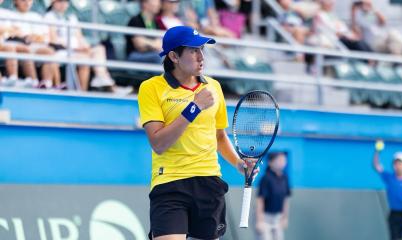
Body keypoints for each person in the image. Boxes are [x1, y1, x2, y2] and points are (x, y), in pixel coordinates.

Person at [138, 25, 257, 240]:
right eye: (194, 50)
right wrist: (193, 109)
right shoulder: (151, 88)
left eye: (202, 49)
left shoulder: (214, 87)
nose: (201, 56)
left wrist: (240, 164)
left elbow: (219, 137)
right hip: (169, 183)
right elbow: (158, 143)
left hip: (208, 182)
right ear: (174, 56)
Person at [45, 0, 117, 91]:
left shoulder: (71, 17)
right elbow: (53, 40)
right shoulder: (49, 17)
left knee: (99, 49)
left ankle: (101, 77)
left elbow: (79, 37)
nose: (63, 4)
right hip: (63, 50)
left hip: (77, 50)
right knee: (85, 60)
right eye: (60, 1)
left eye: (65, 1)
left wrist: (85, 47)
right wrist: (76, 49)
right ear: (53, 3)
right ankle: (82, 91)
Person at [8, 0, 61, 88]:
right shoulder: (9, 15)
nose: (27, 3)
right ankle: (34, 82)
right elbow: (10, 33)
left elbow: (43, 37)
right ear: (15, 1)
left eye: (29, 0)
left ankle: (47, 84)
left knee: (49, 51)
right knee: (25, 49)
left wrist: (34, 37)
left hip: (35, 45)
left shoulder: (36, 16)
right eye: (23, 0)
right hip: (17, 45)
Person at [373, 149, 402, 240]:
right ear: (393, 165)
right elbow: (377, 166)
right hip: (394, 215)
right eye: (396, 163)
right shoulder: (389, 177)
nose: (398, 166)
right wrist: (377, 151)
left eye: (401, 163)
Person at [256, 152, 291, 240]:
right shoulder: (265, 178)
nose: (282, 162)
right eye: (279, 160)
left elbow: (286, 199)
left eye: (284, 160)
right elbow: (260, 200)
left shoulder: (285, 178)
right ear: (270, 162)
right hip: (265, 217)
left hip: (278, 217)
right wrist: (259, 221)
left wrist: (285, 217)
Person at [0, 0, 19, 86]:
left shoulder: (6, 13)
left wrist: (5, 30)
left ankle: (13, 79)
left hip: (3, 42)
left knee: (10, 48)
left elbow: (16, 30)